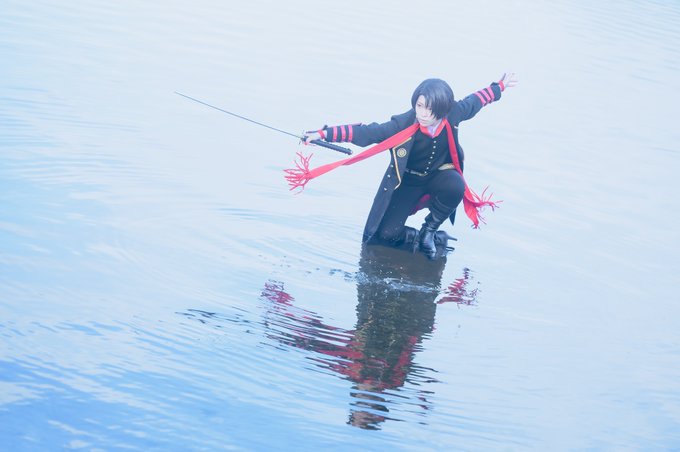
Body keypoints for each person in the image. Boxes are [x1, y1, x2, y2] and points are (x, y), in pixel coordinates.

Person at [286, 73, 518, 259]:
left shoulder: (454, 114)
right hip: (407, 182)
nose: (423, 113)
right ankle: (432, 239)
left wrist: (499, 87)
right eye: (420, 105)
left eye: (429, 109)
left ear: (443, 109)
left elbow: (476, 101)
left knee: (456, 185)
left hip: (439, 177)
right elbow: (366, 132)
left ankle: (429, 231)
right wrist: (323, 134)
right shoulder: (403, 123)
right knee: (383, 236)